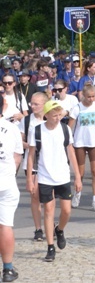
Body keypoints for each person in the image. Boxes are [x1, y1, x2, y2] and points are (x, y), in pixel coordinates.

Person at [26, 101, 82, 263]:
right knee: (49, 211)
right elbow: (31, 156)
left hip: (63, 175)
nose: (58, 118)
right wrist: (30, 179)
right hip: (44, 176)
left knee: (66, 211)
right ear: (46, 115)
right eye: (54, 115)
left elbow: (71, 153)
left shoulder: (65, 130)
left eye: (60, 115)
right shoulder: (37, 131)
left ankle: (60, 229)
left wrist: (77, 176)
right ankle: (50, 247)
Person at [68, 84, 95, 211]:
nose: (91, 99)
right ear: (83, 96)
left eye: (93, 96)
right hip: (79, 142)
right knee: (80, 172)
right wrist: (69, 143)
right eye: (88, 97)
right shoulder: (77, 108)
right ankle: (77, 194)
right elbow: (70, 126)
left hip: (94, 142)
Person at [0, 94, 23, 282]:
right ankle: (7, 269)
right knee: (6, 226)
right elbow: (17, 157)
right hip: (6, 181)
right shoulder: (11, 128)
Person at [19, 93, 47, 242]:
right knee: (35, 195)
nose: (32, 106)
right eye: (31, 104)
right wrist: (31, 146)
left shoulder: (51, 118)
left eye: (36, 104)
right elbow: (19, 139)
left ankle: (50, 224)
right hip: (32, 161)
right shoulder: (26, 120)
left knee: (49, 197)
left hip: (49, 162)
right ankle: (38, 228)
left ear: (44, 104)